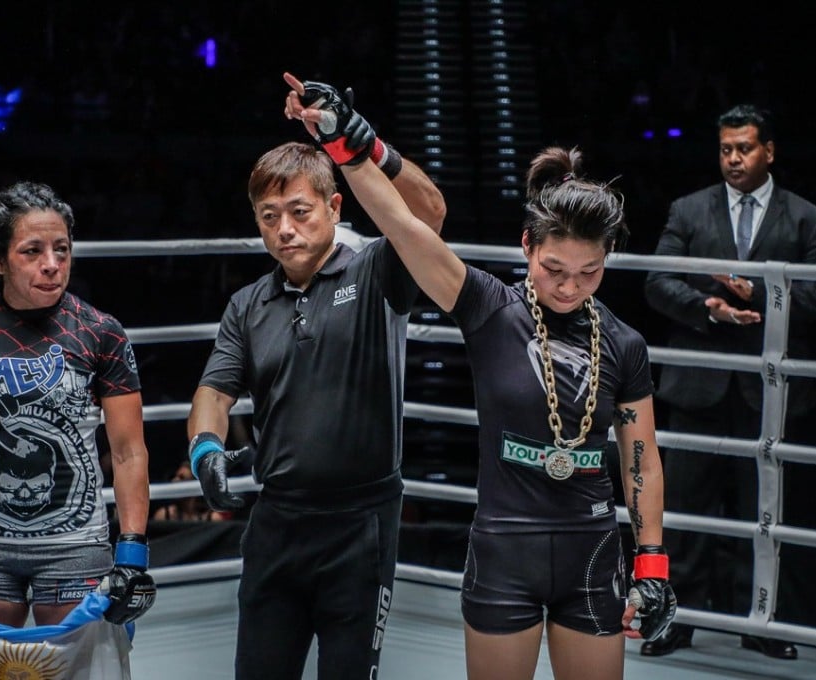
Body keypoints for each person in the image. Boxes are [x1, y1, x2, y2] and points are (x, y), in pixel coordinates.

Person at [284, 73, 676, 680]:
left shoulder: (624, 343)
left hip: (592, 554)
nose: (569, 287)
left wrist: (652, 565)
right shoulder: (488, 307)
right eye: (554, 269)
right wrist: (347, 143)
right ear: (527, 247)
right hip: (503, 555)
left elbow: (641, 459)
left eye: (589, 272)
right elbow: (404, 226)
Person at [186, 81, 446, 678]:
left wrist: (361, 141)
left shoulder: (378, 269)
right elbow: (214, 390)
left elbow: (428, 213)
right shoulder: (248, 304)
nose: (284, 229)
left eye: (299, 212)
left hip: (361, 526)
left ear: (334, 208)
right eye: (269, 216)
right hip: (276, 522)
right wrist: (205, 450)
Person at [0, 181, 155, 641]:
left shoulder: (101, 332)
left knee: (77, 673)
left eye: (61, 249)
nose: (52, 265)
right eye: (32, 251)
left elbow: (128, 451)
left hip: (75, 544)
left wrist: (133, 552)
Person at [642, 104, 816, 660]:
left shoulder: (806, 216)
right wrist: (708, 307)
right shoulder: (689, 210)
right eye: (725, 149)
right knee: (687, 510)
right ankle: (677, 619)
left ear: (769, 150)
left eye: (744, 148)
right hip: (699, 381)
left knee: (762, 511)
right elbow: (656, 281)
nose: (733, 158)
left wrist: (760, 295)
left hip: (770, 390)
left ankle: (760, 622)